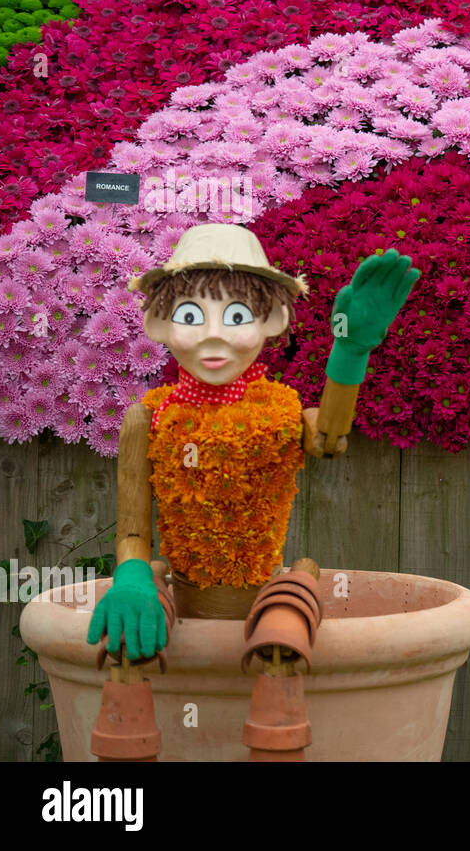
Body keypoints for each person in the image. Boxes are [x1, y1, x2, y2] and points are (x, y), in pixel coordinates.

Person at [86, 223, 419, 660]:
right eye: (191, 316)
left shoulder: (285, 412)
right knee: (127, 650)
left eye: (236, 316)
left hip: (264, 607)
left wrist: (351, 352)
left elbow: (331, 438)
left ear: (273, 321)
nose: (213, 334)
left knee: (285, 633)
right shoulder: (149, 417)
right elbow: (132, 526)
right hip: (181, 605)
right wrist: (131, 575)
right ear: (159, 325)